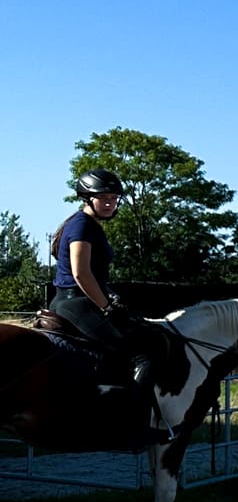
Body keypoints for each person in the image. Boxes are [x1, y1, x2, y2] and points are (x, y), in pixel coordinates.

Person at [47, 168, 154, 398]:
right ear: (87, 199)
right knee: (139, 357)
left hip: (77, 300)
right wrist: (106, 307)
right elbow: (81, 273)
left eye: (114, 199)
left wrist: (111, 298)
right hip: (75, 302)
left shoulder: (88, 225)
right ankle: (131, 416)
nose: (110, 204)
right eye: (103, 199)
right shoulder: (81, 226)